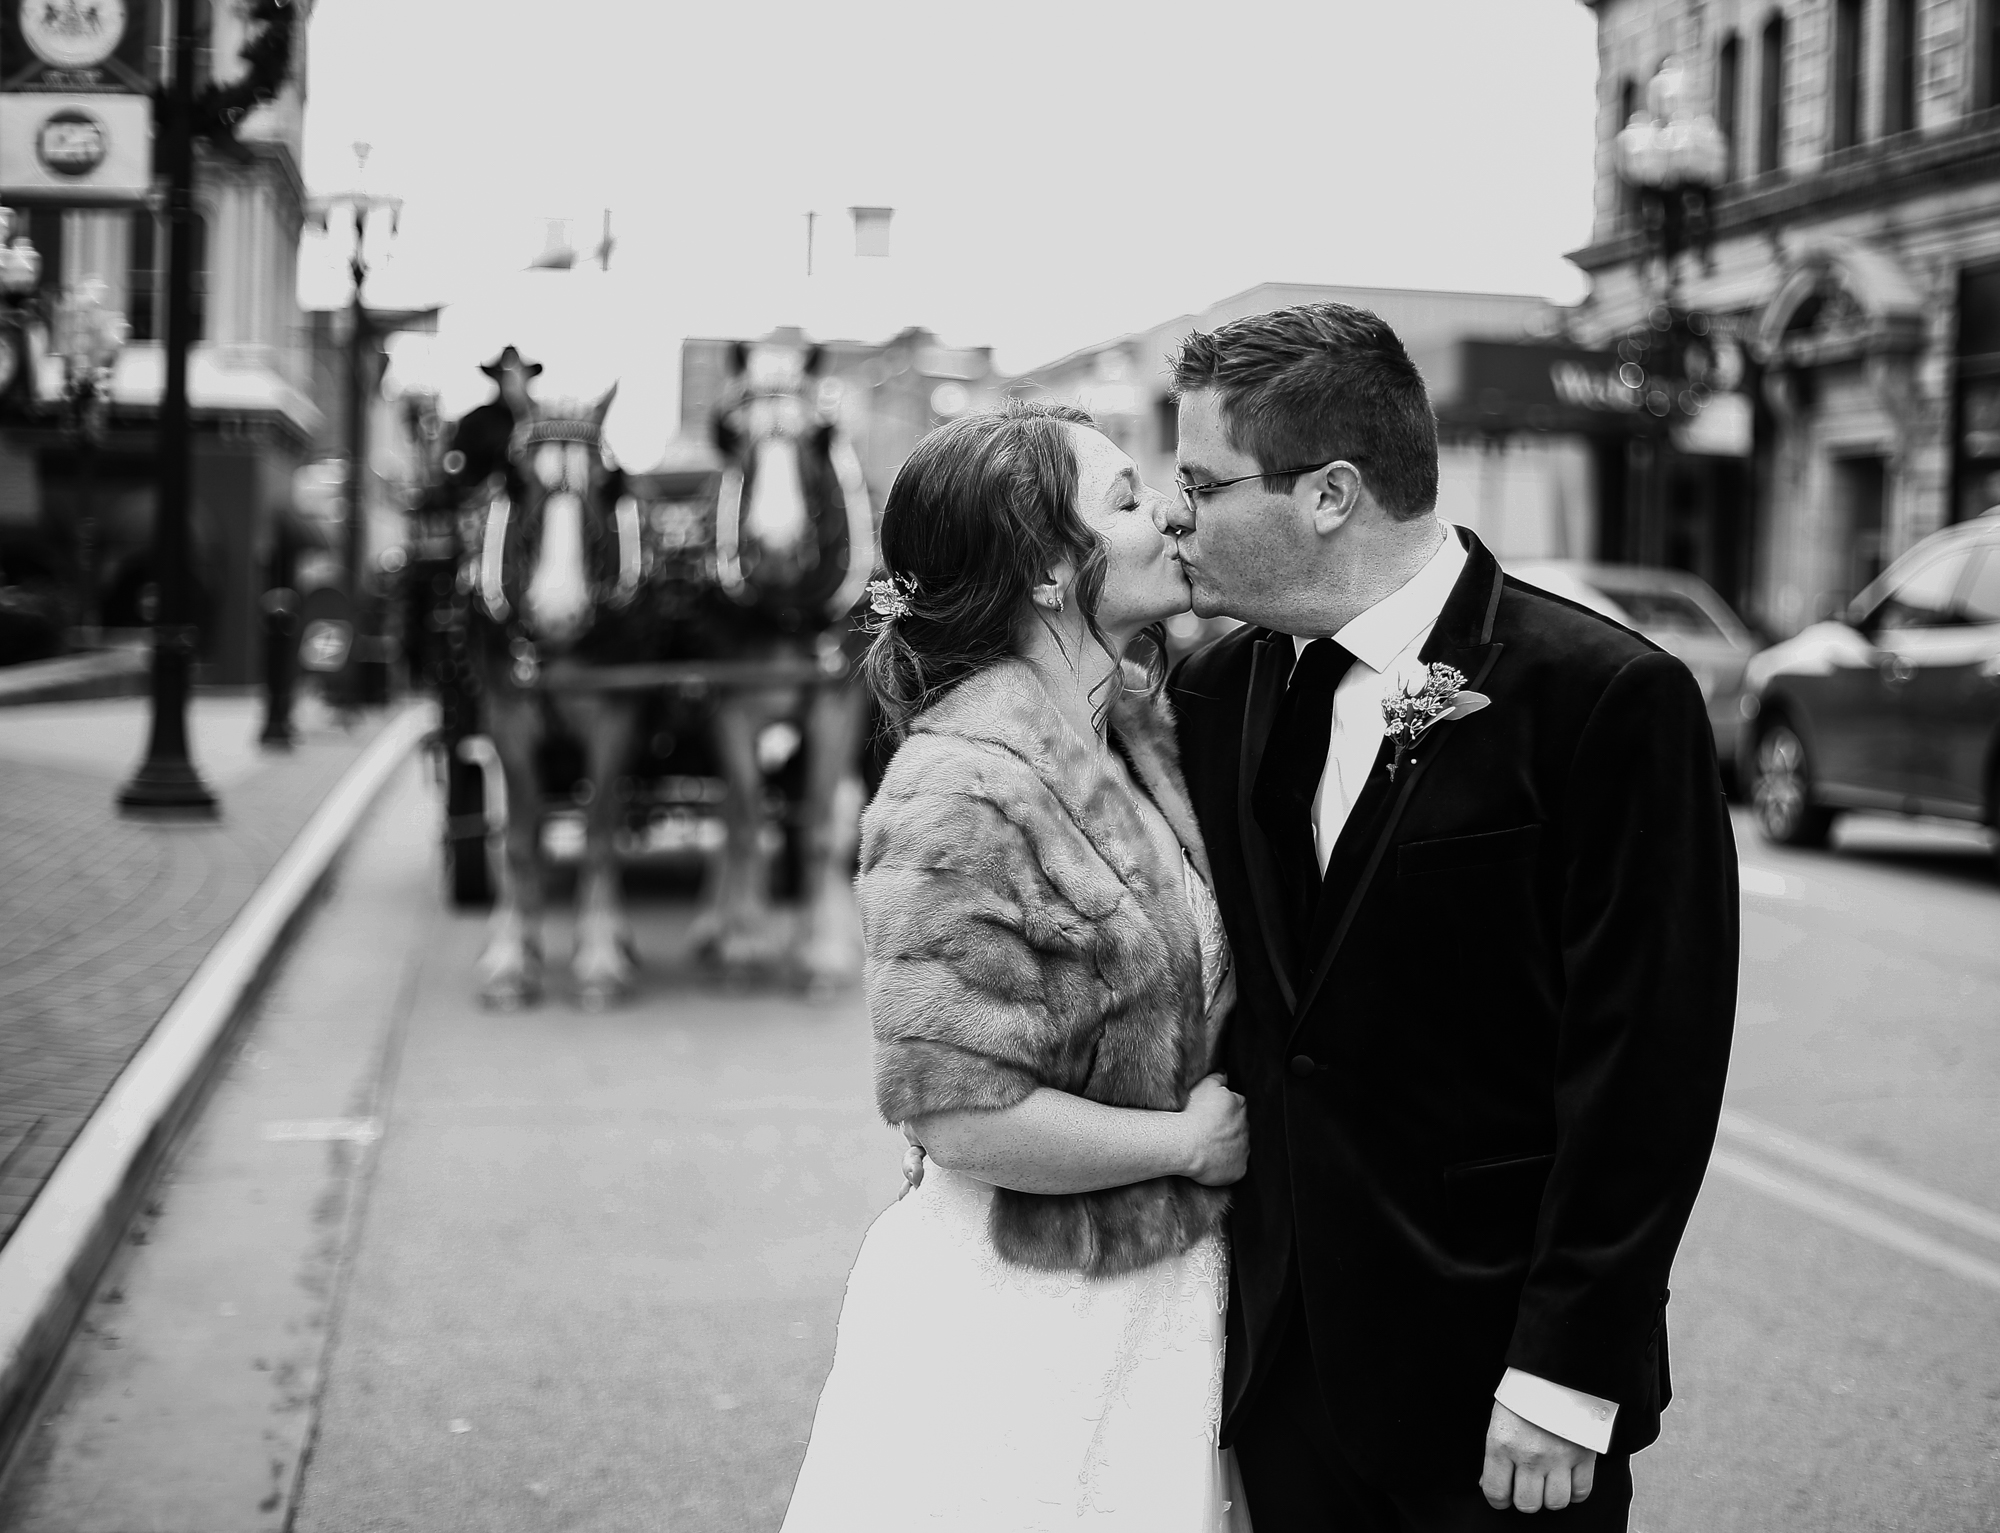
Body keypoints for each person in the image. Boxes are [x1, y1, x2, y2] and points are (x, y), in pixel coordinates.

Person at [1161, 302, 1739, 1531]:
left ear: (1327, 493)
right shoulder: (1211, 691)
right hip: (1275, 1367)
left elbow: (1648, 1064)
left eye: (1200, 484)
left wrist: (1568, 1372)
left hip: (1496, 1389)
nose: (1175, 517)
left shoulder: (1603, 699)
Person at [781, 400, 1254, 1532]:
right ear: (1048, 569)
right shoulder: (960, 785)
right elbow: (957, 1117)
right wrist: (1186, 1142)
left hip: (1159, 1306)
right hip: (1018, 1323)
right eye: (1129, 501)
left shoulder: (1148, 738)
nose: (1169, 519)